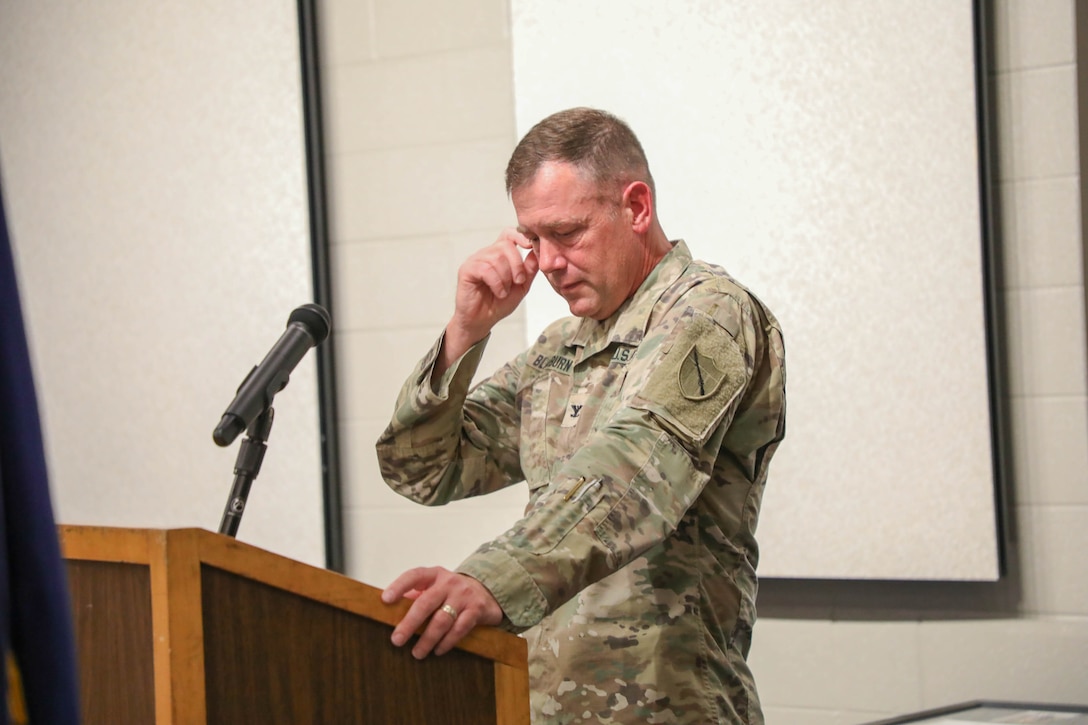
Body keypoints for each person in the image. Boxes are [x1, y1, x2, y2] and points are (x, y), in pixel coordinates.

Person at [376, 107, 786, 724]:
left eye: (567, 234)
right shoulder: (559, 349)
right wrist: (467, 331)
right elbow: (423, 469)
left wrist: (492, 580)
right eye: (532, 239)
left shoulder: (710, 314)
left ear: (637, 207)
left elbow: (635, 470)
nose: (546, 262)